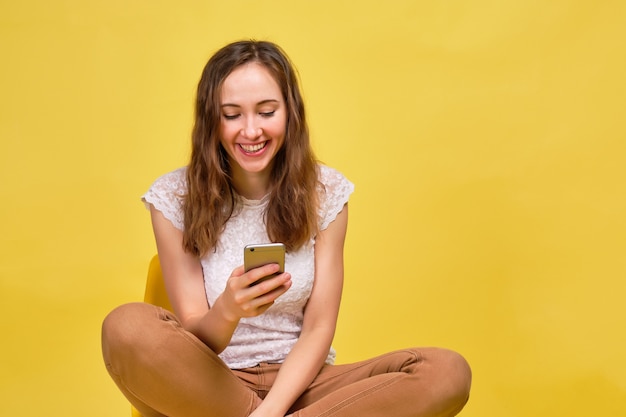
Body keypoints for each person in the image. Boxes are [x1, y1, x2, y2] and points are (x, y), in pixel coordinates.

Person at [101, 40, 471, 417]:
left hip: (306, 386)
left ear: (290, 113)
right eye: (231, 115)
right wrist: (229, 309)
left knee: (446, 372)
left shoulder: (324, 192)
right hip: (211, 383)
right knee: (125, 327)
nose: (250, 131)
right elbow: (194, 337)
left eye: (266, 111)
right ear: (211, 120)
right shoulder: (174, 197)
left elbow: (318, 329)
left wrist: (271, 410)